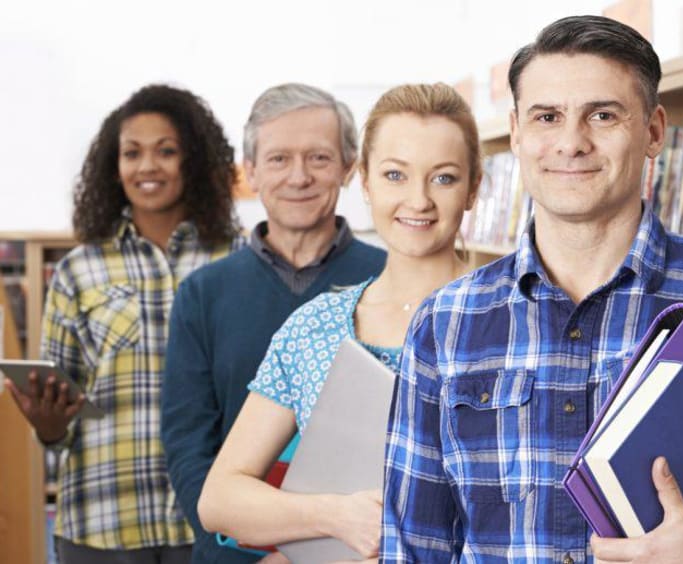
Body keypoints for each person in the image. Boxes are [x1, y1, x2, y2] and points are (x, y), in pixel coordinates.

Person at [380, 15, 683, 564]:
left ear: (653, 132)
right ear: (519, 132)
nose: (571, 143)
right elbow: (414, 545)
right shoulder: (445, 323)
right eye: (547, 117)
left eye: (602, 115)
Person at [196, 82, 482, 559]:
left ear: (474, 188)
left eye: (444, 178)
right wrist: (335, 516)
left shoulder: (517, 319)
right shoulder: (315, 328)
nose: (418, 200)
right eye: (395, 175)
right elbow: (220, 499)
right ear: (365, 181)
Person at [4, 84, 245, 563]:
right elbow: (60, 407)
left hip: (209, 521)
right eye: (132, 153)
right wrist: (49, 424)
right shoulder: (80, 269)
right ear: (113, 168)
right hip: (103, 523)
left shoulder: (236, 258)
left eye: (167, 151)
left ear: (194, 161)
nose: (147, 166)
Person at [160, 83, 386, 563]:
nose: (298, 177)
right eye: (279, 159)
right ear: (251, 172)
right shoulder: (202, 294)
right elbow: (188, 444)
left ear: (349, 168)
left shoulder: (387, 280)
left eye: (319, 158)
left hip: (359, 550)